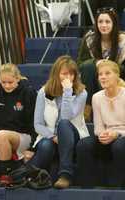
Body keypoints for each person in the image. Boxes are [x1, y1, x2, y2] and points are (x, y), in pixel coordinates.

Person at [28, 55, 89, 189]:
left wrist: (67, 91)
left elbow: (66, 117)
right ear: (56, 74)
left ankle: (65, 175)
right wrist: (53, 137)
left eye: (72, 74)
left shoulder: (81, 92)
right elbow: (37, 124)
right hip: (50, 136)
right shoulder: (43, 92)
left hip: (73, 135)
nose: (69, 78)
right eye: (64, 74)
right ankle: (30, 175)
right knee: (45, 146)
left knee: (63, 124)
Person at [0, 63, 37, 186]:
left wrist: (32, 148)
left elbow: (35, 121)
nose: (6, 85)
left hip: (24, 136)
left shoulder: (28, 92)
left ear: (18, 78)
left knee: (2, 134)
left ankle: (7, 175)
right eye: (3, 82)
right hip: (1, 136)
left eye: (10, 82)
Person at [76, 59, 125, 187]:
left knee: (119, 146)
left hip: (122, 136)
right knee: (83, 145)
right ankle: (88, 187)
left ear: (117, 75)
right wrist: (104, 135)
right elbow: (98, 128)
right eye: (100, 74)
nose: (103, 77)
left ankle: (117, 187)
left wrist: (116, 134)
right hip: (107, 136)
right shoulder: (96, 97)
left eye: (107, 73)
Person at [77, 7, 125, 121]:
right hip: (93, 78)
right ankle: (88, 110)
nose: (104, 25)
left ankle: (108, 115)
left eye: (107, 22)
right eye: (100, 22)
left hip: (118, 78)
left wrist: (110, 67)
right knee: (88, 67)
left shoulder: (123, 40)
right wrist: (96, 62)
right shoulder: (89, 39)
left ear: (114, 23)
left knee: (105, 75)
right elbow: (79, 64)